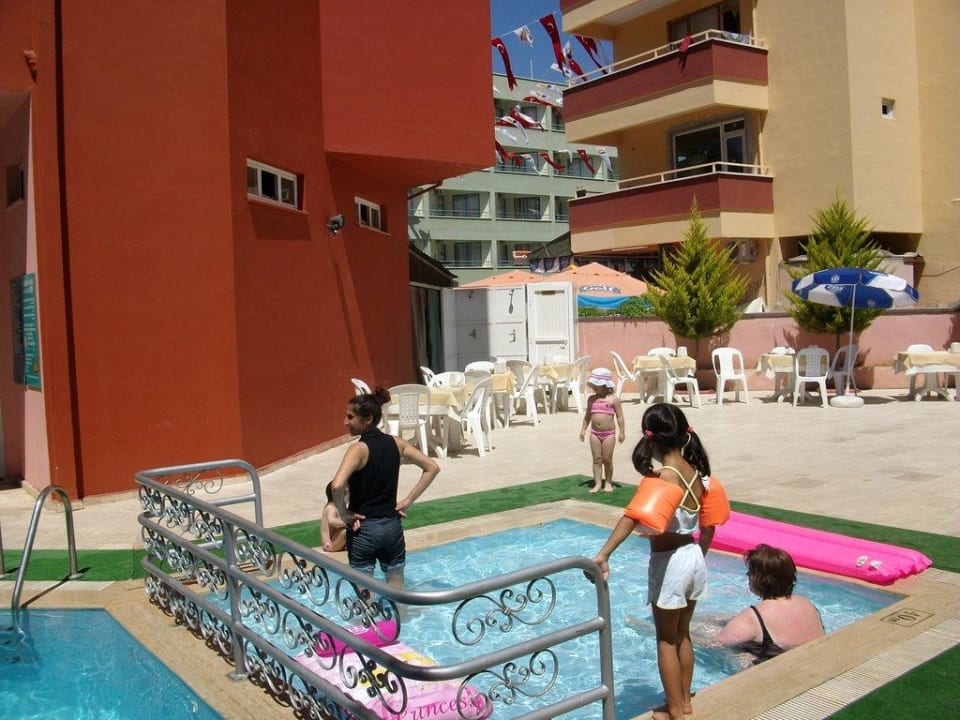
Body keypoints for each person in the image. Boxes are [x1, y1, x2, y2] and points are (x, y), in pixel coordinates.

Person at [592, 403, 726, 720]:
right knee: (682, 635)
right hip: (693, 556)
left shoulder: (667, 476)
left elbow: (632, 517)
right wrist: (699, 558)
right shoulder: (696, 472)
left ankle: (675, 710)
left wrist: (604, 553)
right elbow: (709, 527)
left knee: (665, 640)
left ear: (651, 438)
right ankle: (685, 702)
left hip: (671, 562)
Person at [330, 387, 440, 590]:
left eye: (350, 417)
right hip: (392, 527)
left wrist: (344, 513)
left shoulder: (358, 449)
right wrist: (407, 501)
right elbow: (432, 467)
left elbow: (337, 485)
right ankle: (396, 613)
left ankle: (369, 614)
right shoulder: (396, 443)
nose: (345, 422)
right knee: (397, 591)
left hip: (364, 529)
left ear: (368, 419)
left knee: (365, 597)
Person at [718, 544, 824, 662]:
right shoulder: (808, 605)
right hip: (815, 661)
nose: (747, 574)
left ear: (760, 579)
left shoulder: (753, 616)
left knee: (740, 653)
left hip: (780, 668)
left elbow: (718, 643)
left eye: (751, 572)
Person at [578, 367, 625, 493]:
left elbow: (620, 417)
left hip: (609, 434)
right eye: (593, 386)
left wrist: (622, 432)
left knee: (607, 459)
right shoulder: (591, 399)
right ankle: (598, 483)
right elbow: (588, 416)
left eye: (596, 386)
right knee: (597, 459)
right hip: (594, 434)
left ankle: (608, 482)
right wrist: (583, 430)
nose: (594, 388)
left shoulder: (613, 399)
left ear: (605, 385)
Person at [320, 481, 347, 552]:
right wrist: (347, 523)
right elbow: (332, 521)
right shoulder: (330, 508)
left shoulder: (339, 507)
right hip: (329, 544)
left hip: (335, 540)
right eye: (344, 492)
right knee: (345, 532)